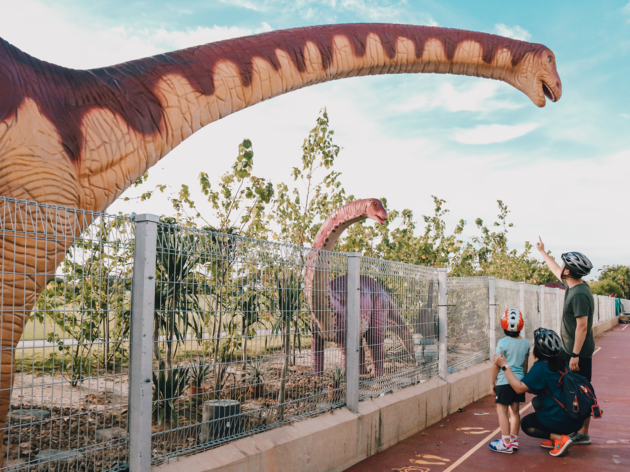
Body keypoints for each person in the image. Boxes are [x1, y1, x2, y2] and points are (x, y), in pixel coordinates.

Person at [536, 238, 594, 445]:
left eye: (563, 266)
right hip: (570, 351)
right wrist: (543, 252)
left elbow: (582, 326)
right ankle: (576, 431)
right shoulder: (574, 285)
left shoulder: (578, 294)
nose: (560, 268)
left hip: (576, 353)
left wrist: (575, 355)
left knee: (580, 392)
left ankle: (581, 433)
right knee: (572, 390)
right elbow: (554, 270)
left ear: (568, 272)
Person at [493, 328, 584, 457]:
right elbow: (537, 387)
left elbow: (519, 388)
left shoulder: (540, 366)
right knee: (537, 402)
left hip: (561, 418)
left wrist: (504, 365)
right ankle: (555, 439)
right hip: (576, 419)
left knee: (526, 424)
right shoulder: (563, 363)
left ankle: (559, 438)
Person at [488, 308, 530, 454]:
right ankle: (514, 440)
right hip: (518, 381)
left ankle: (505, 443)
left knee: (502, 411)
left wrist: (492, 383)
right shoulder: (525, 343)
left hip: (504, 381)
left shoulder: (502, 343)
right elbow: (525, 365)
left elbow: (496, 364)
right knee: (515, 412)